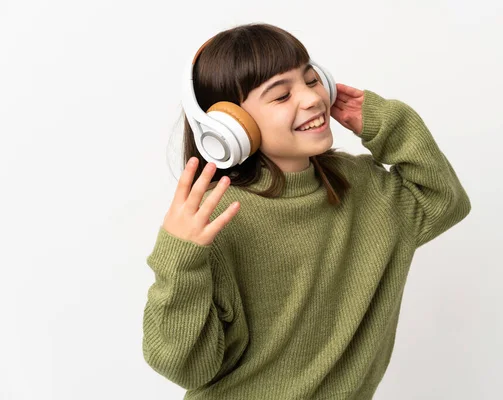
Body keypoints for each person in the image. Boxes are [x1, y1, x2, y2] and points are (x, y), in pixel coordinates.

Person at [142, 22, 471, 400]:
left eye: (312, 80)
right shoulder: (214, 218)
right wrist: (178, 259)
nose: (312, 98)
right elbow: (183, 365)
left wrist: (389, 123)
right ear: (231, 127)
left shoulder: (363, 188)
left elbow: (443, 201)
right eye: (281, 96)